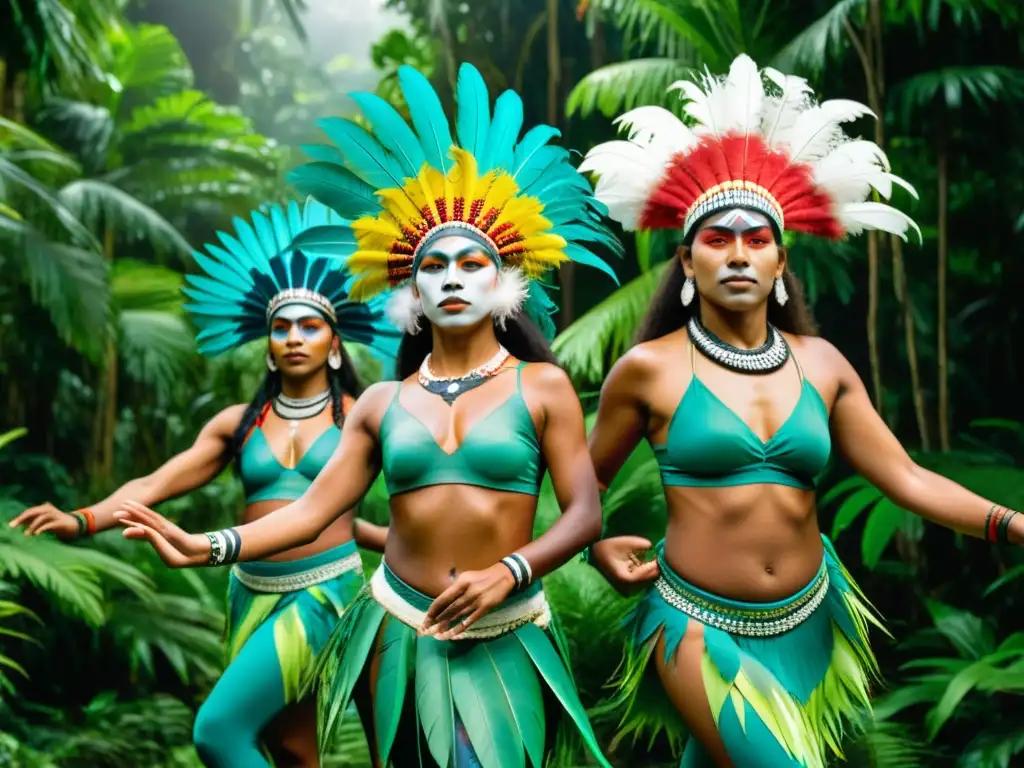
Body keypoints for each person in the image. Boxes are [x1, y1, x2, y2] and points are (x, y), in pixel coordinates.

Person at [110, 62, 623, 767]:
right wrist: (211, 545)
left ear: (504, 283)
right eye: (432, 266)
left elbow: (583, 515)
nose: (450, 278)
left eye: (470, 265)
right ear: (409, 288)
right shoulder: (382, 402)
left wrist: (512, 570)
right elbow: (312, 511)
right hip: (396, 629)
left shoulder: (541, 387)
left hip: (507, 629)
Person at [579, 54, 1023, 768]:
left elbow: (907, 479)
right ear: (687, 264)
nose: (737, 256)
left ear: (782, 264)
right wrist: (596, 545)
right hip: (691, 625)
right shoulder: (649, 370)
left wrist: (1014, 526)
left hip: (809, 621)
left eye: (757, 241)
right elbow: (583, 488)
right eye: (716, 241)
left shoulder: (822, 366)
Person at [11, 198, 400, 768]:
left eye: (310, 326)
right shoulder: (236, 424)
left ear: (335, 345)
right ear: (268, 348)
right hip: (249, 592)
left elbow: (411, 493)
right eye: (281, 327)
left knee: (218, 731)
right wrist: (82, 519)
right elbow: (155, 482)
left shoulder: (364, 417)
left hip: (322, 593)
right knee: (292, 750)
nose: (294, 337)